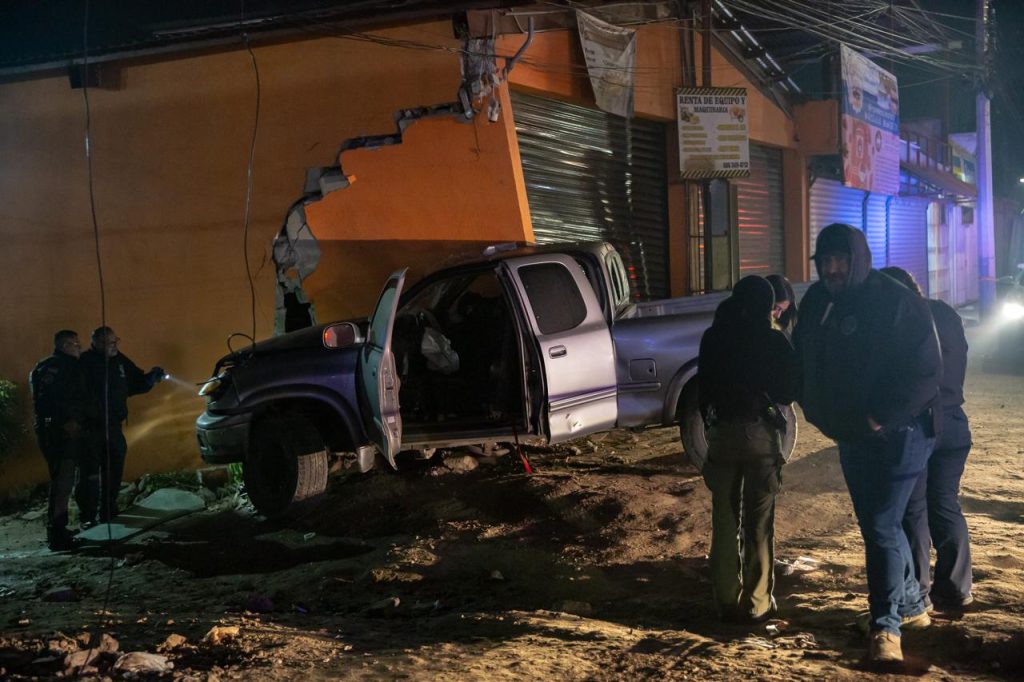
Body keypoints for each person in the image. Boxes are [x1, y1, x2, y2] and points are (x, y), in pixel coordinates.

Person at [793, 224, 942, 664]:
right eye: (825, 261)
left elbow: (925, 372)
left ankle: (886, 628)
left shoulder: (897, 301)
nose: (832, 269)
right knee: (879, 525)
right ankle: (911, 605)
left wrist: (880, 417)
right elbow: (804, 356)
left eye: (841, 260)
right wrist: (815, 407)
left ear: (858, 259)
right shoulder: (817, 302)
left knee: (880, 524)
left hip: (902, 434)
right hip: (850, 434)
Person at [698, 275, 800, 623]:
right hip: (760, 434)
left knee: (724, 521)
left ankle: (726, 601)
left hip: (722, 434)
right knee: (759, 524)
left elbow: (703, 390)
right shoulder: (772, 339)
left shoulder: (714, 337)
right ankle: (757, 604)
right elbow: (788, 391)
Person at [881, 266, 974, 613]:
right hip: (955, 421)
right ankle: (956, 589)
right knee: (945, 503)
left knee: (914, 509)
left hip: (920, 424)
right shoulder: (947, 314)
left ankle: (917, 595)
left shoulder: (903, 320)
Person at [79, 326, 165, 524]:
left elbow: (136, 382)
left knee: (114, 468)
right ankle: (87, 517)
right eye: (109, 342)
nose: (114, 345)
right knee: (90, 474)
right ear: (96, 343)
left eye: (115, 341)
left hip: (113, 426)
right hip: (91, 428)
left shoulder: (119, 360)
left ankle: (109, 510)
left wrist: (152, 377)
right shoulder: (84, 362)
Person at [29, 330, 86, 551]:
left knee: (64, 480)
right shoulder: (56, 367)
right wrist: (65, 422)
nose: (79, 347)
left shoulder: (58, 365)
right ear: (64, 345)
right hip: (57, 433)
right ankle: (57, 534)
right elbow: (47, 401)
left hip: (59, 430)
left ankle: (59, 530)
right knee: (62, 481)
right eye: (75, 344)